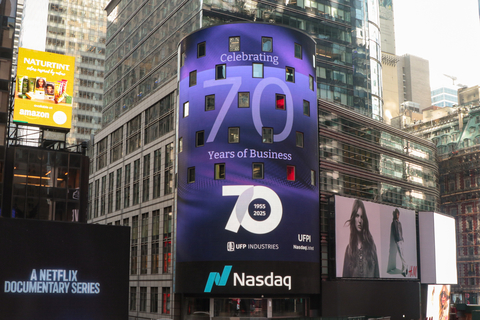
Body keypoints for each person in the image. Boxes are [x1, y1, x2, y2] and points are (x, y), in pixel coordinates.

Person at [342, 199, 379, 277]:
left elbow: (377, 277)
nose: (359, 220)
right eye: (357, 216)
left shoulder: (372, 247)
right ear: (353, 218)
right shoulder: (349, 250)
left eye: (362, 217)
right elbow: (345, 282)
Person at [387, 208, 408, 276]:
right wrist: (396, 240)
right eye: (396, 214)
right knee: (401, 255)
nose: (397, 215)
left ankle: (404, 269)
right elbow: (394, 232)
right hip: (398, 241)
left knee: (402, 255)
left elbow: (401, 231)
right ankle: (405, 267)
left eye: (398, 214)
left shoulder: (399, 223)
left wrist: (402, 238)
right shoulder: (394, 223)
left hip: (401, 240)